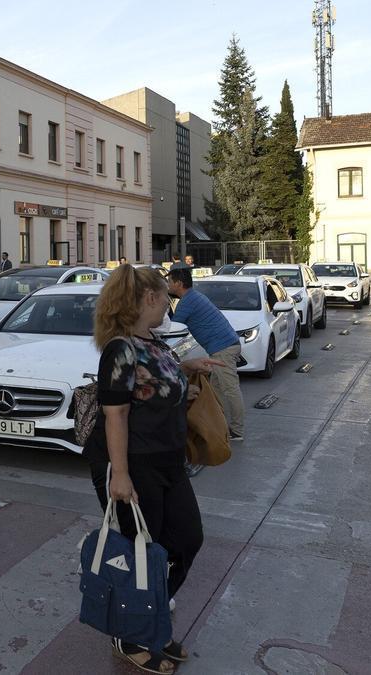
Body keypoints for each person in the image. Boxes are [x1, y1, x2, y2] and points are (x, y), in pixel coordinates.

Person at [85, 265, 215, 673]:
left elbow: (155, 388)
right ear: (148, 299)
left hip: (168, 462)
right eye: (165, 297)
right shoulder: (120, 350)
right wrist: (120, 476)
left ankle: (147, 618)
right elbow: (116, 415)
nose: (168, 305)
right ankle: (132, 635)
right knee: (142, 553)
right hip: (133, 464)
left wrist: (187, 375)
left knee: (186, 539)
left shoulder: (153, 342)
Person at [168, 266, 244, 441]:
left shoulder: (187, 302)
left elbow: (171, 328)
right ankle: (221, 425)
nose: (167, 285)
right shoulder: (193, 297)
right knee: (217, 390)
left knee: (230, 389)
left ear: (179, 283)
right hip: (223, 346)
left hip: (223, 348)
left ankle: (237, 431)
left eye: (169, 282)